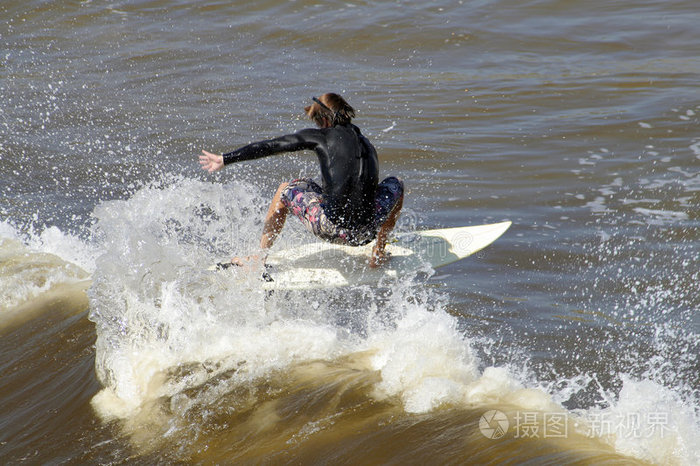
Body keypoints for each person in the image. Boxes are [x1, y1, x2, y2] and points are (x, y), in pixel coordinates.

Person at [199, 93, 403, 268]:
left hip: (330, 228)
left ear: (324, 121)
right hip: (366, 232)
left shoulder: (322, 137)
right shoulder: (366, 143)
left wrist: (225, 159)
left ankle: (258, 259)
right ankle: (378, 254)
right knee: (396, 184)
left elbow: (273, 145)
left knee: (285, 189)